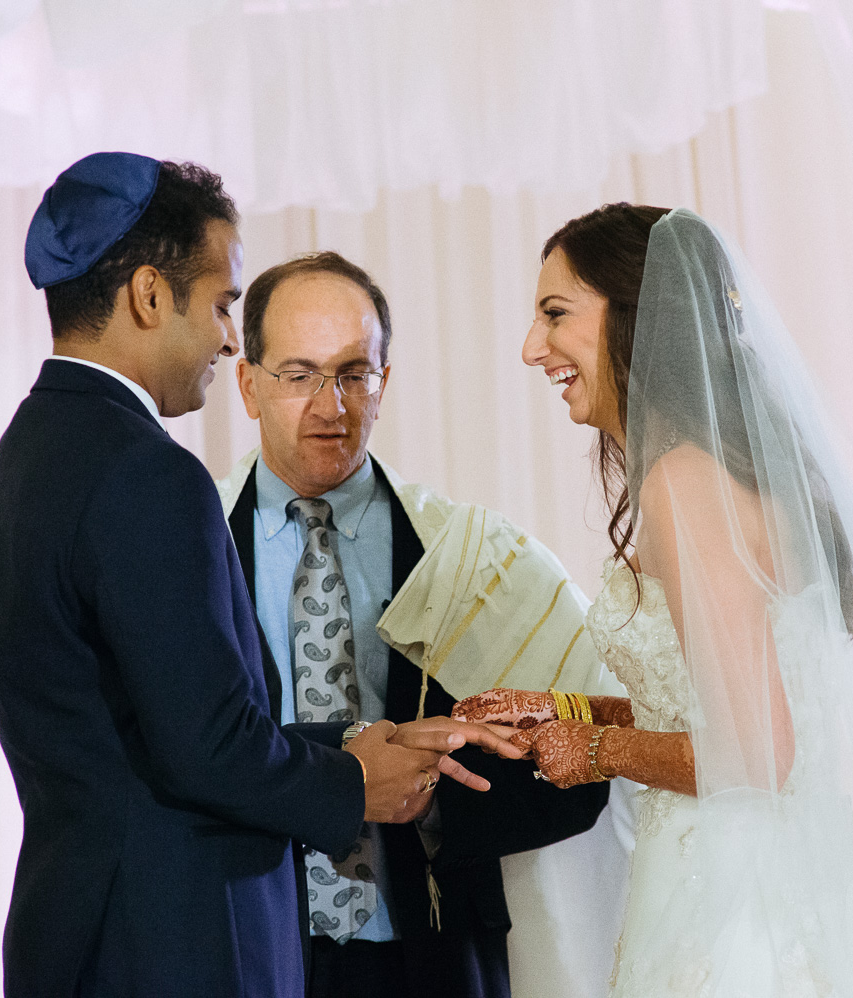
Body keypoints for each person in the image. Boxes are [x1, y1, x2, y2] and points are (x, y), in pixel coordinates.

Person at [457, 206, 853, 996]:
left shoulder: (684, 482)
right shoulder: (721, 469)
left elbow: (759, 752)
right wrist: (566, 713)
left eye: (555, 313)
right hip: (769, 875)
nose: (531, 348)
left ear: (636, 315)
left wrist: (594, 754)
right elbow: (715, 701)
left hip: (739, 908)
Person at [0, 153, 519, 998]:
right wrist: (357, 781)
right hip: (175, 943)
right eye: (222, 304)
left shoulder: (22, 459)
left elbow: (145, 734)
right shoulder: (146, 471)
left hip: (78, 931)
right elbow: (209, 746)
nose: (228, 338)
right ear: (151, 296)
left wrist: (348, 744)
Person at [217, 250, 612, 998]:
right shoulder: (188, 546)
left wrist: (434, 800)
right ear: (248, 384)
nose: (330, 405)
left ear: (384, 382)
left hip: (432, 952)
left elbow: (579, 762)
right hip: (246, 948)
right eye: (298, 375)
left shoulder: (473, 554)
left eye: (354, 374)